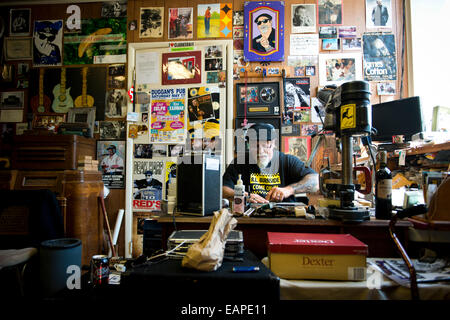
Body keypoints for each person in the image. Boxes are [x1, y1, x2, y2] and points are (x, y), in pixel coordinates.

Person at [223, 123, 319, 203]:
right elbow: (223, 190)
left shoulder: (288, 161)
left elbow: (315, 181)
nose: (260, 151)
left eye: (265, 146)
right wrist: (244, 196)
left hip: (284, 217)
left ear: (273, 144)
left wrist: (288, 190)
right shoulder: (239, 163)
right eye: (255, 146)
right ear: (248, 145)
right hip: (251, 217)